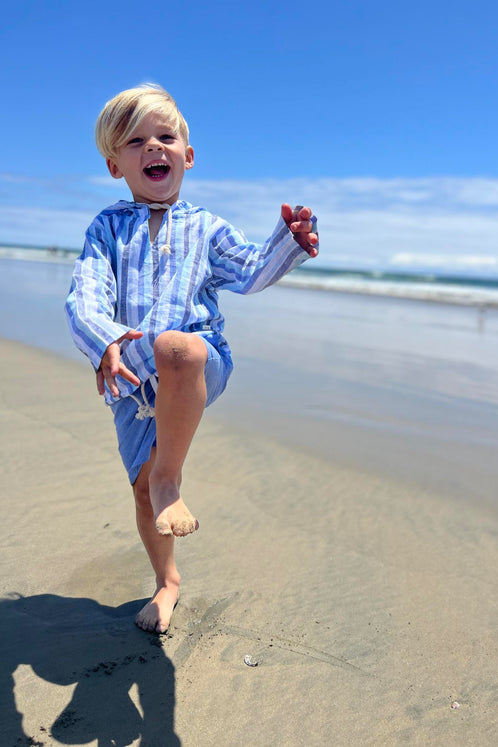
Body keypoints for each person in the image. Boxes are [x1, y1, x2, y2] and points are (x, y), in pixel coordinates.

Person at [65, 84, 318, 634]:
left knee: (177, 347)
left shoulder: (207, 228)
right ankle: (167, 580)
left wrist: (289, 241)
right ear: (115, 166)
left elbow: (251, 270)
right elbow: (86, 290)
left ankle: (170, 478)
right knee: (138, 486)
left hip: (199, 362)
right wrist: (103, 340)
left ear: (188, 155)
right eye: (136, 142)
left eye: (166, 137)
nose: (154, 148)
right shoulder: (106, 228)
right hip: (133, 379)